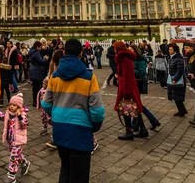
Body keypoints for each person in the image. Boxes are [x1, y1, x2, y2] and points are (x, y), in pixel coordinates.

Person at [41, 38, 105, 183]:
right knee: (80, 175)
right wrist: (94, 126)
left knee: (65, 169)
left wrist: (57, 114)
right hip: (81, 132)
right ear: (81, 53)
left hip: (60, 130)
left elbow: (45, 103)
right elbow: (97, 110)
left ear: (64, 53)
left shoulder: (55, 76)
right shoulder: (89, 77)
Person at [0, 93, 30, 183]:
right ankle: (24, 162)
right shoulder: (8, 114)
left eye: (14, 105)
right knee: (17, 155)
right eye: (10, 104)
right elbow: (1, 116)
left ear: (19, 107)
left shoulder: (22, 115)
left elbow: (24, 124)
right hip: (11, 140)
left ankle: (11, 176)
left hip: (18, 141)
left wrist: (20, 116)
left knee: (13, 157)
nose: (11, 107)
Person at [115, 41, 145, 141]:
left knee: (127, 108)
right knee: (134, 107)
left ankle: (129, 132)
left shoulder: (124, 58)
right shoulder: (125, 57)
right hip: (127, 84)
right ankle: (143, 129)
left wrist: (126, 91)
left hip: (127, 86)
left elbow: (127, 74)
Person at [131, 44, 160, 134]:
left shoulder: (140, 59)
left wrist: (131, 70)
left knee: (137, 104)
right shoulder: (131, 59)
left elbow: (142, 72)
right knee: (135, 104)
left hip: (138, 83)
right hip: (133, 82)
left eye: (131, 50)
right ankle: (135, 124)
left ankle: (151, 121)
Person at [167, 44, 187, 117]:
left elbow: (180, 70)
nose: (169, 51)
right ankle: (181, 110)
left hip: (177, 79)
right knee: (175, 96)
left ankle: (182, 111)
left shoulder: (178, 58)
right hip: (172, 78)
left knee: (177, 96)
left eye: (170, 49)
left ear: (175, 50)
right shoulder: (172, 58)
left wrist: (175, 79)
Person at [28, 41, 48, 108]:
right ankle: (37, 101)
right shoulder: (36, 53)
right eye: (40, 47)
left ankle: (35, 101)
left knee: (34, 87)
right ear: (37, 47)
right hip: (37, 72)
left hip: (33, 70)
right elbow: (41, 61)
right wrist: (45, 59)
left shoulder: (31, 51)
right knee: (38, 87)